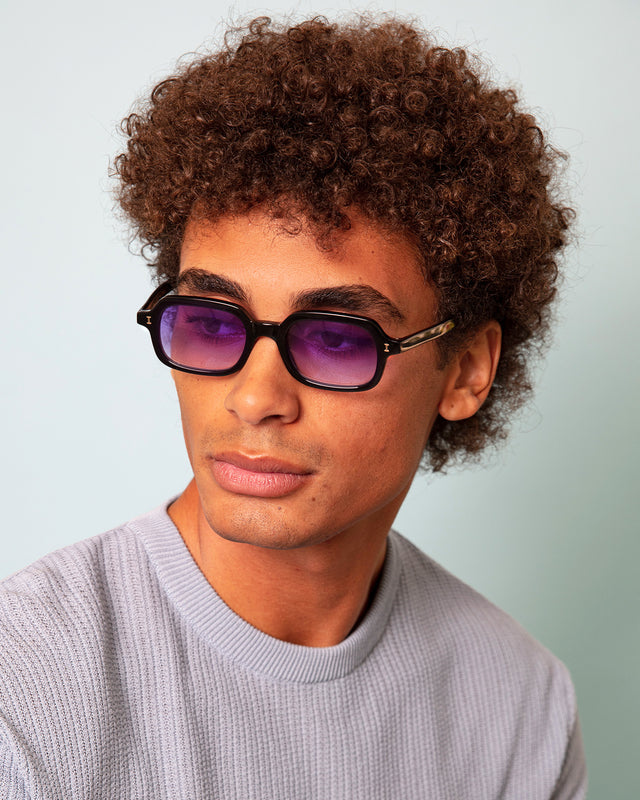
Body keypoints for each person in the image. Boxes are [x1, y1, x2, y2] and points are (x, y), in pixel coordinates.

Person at [0, 16, 587, 799]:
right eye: (212, 323)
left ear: (466, 371)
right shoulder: (25, 683)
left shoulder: (521, 706)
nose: (254, 398)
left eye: (336, 339)